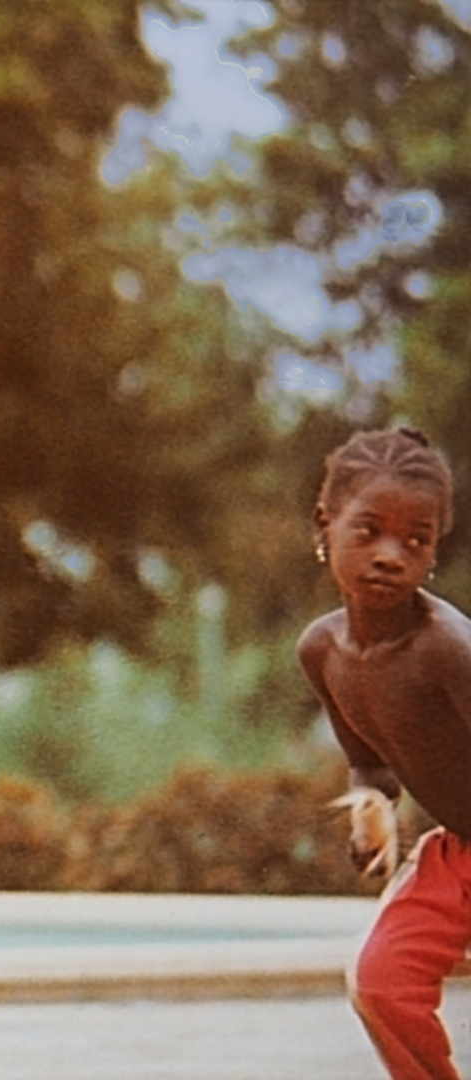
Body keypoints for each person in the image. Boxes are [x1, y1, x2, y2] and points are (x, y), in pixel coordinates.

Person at [296, 427, 470, 1080]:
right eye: (369, 531)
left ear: (433, 553)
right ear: (326, 524)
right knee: (381, 980)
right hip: (459, 851)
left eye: (416, 540)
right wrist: (373, 811)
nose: (391, 555)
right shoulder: (323, 652)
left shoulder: (447, 649)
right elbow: (371, 763)